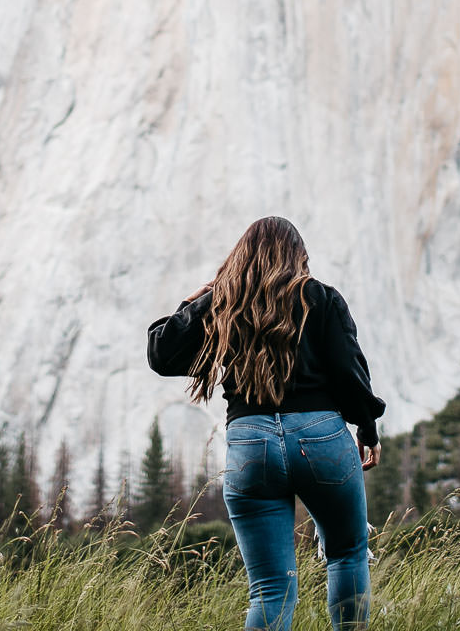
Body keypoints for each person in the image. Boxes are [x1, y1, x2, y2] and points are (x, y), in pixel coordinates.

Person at [147, 215, 386, 631]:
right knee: (347, 554)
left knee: (270, 588)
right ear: (299, 257)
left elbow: (161, 353)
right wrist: (367, 428)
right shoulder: (322, 299)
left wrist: (197, 302)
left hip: (250, 442)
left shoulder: (226, 305)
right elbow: (350, 373)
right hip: (321, 437)